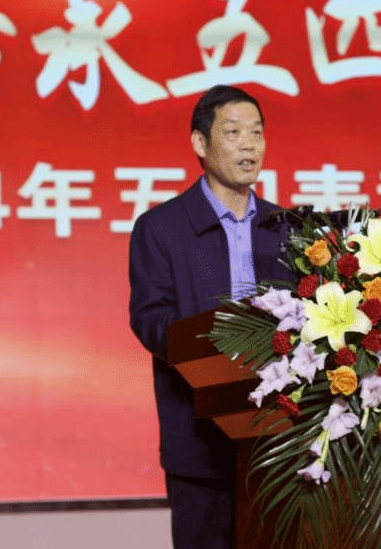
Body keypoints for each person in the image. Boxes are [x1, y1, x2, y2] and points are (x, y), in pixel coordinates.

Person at [128, 85, 294, 549]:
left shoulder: (286, 228)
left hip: (279, 440)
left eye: (257, 133)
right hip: (199, 438)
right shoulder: (161, 227)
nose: (249, 145)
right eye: (233, 132)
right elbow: (149, 318)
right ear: (200, 143)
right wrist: (221, 344)